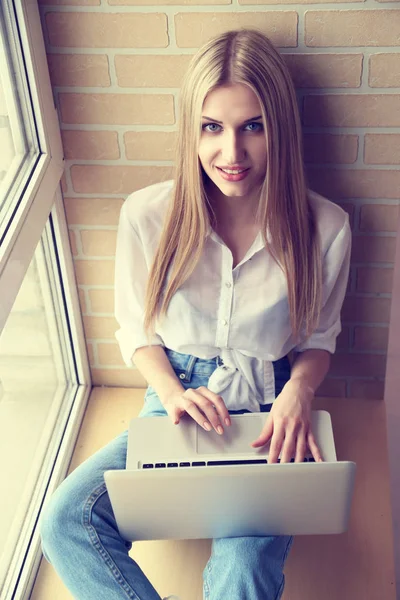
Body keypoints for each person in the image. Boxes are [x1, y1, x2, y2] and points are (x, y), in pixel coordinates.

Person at [40, 28, 351, 600]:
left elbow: (320, 338)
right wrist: (171, 390)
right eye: (213, 127)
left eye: (252, 126)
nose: (231, 154)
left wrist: (299, 392)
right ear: (192, 129)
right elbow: (136, 329)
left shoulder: (326, 227)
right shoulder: (147, 216)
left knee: (244, 572)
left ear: (279, 127)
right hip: (176, 398)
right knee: (65, 521)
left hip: (270, 409)